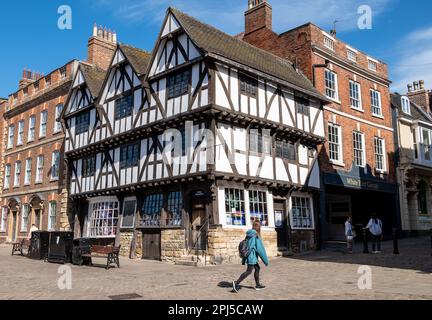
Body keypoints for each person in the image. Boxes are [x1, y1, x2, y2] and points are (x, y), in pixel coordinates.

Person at [232, 221, 269, 292]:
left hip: (250, 255)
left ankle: (258, 285)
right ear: (258, 227)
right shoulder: (256, 235)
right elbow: (260, 249)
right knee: (249, 271)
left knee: (257, 268)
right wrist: (265, 261)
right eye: (259, 226)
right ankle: (236, 283)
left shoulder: (249, 234)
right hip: (251, 256)